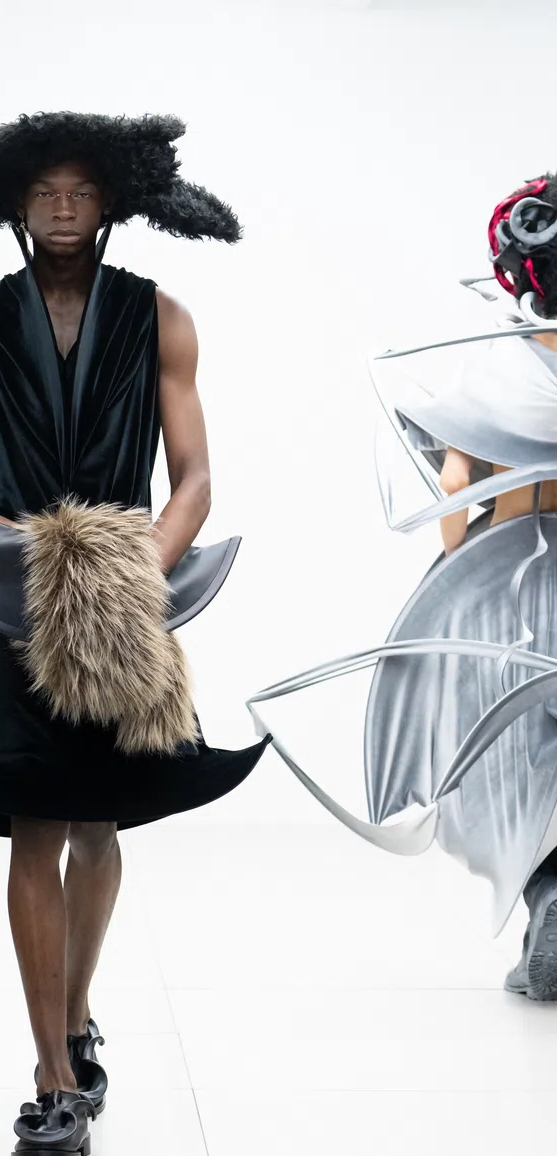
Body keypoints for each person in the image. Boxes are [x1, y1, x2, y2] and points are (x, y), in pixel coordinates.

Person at [0, 112, 270, 1156]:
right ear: (12, 201)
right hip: (18, 605)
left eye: (81, 191)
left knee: (100, 820)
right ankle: (52, 1073)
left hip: (128, 606)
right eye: (44, 190)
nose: (61, 208)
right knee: (33, 825)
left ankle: (76, 1012)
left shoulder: (161, 316)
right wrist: (44, 556)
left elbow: (195, 477)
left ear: (110, 204)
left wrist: (133, 567)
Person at [245, 173, 557, 1001]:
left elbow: (454, 489)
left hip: (504, 585)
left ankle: (545, 897)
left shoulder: (498, 369)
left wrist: (468, 549)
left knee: (511, 756)